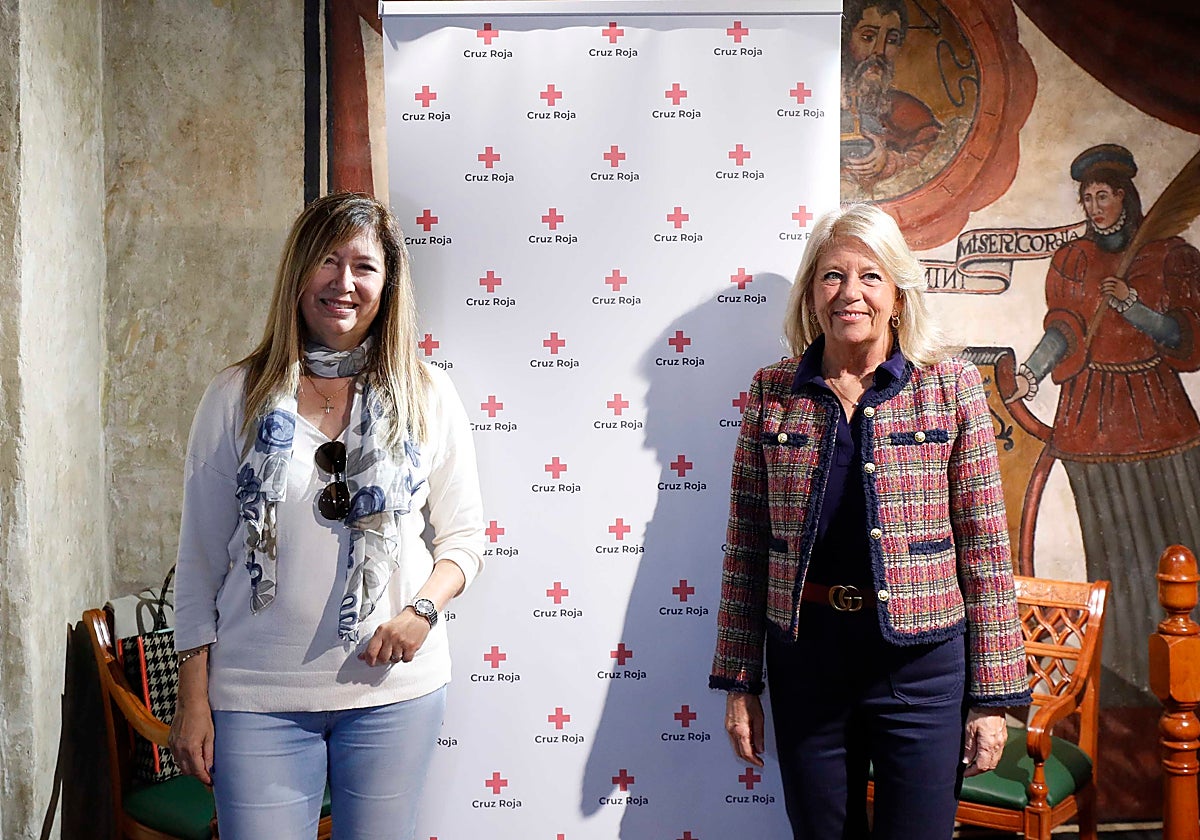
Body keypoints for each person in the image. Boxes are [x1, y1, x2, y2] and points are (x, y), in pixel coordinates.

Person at [168, 192, 485, 839]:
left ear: (387, 284)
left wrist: (421, 612)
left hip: (392, 696)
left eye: (364, 267)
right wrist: (192, 696)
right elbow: (198, 560)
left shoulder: (428, 394)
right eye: (328, 262)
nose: (345, 283)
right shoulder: (236, 395)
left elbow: (465, 538)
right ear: (299, 272)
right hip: (259, 697)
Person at [710, 203, 1030, 839]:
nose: (850, 293)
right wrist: (741, 680)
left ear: (899, 294)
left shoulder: (951, 387)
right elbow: (747, 548)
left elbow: (986, 550)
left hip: (922, 666)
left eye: (870, 276)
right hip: (807, 666)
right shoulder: (772, 393)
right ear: (811, 294)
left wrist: (993, 697)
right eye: (832, 276)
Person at [1009, 143, 1200, 703]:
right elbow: (1064, 329)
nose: (1094, 207)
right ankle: (1121, 677)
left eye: (1103, 196)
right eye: (1087, 198)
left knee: (1180, 539)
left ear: (1124, 197)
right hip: (1092, 416)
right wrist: (1031, 374)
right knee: (1110, 546)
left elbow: (1187, 339)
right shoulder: (1072, 260)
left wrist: (1135, 307)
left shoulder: (1168, 255)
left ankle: (1185, 670)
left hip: (1157, 410)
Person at [840, 0, 941, 190]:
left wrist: (891, 161)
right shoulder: (813, 105)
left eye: (892, 40)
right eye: (868, 37)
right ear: (845, 40)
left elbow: (934, 155)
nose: (880, 51)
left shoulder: (907, 110)